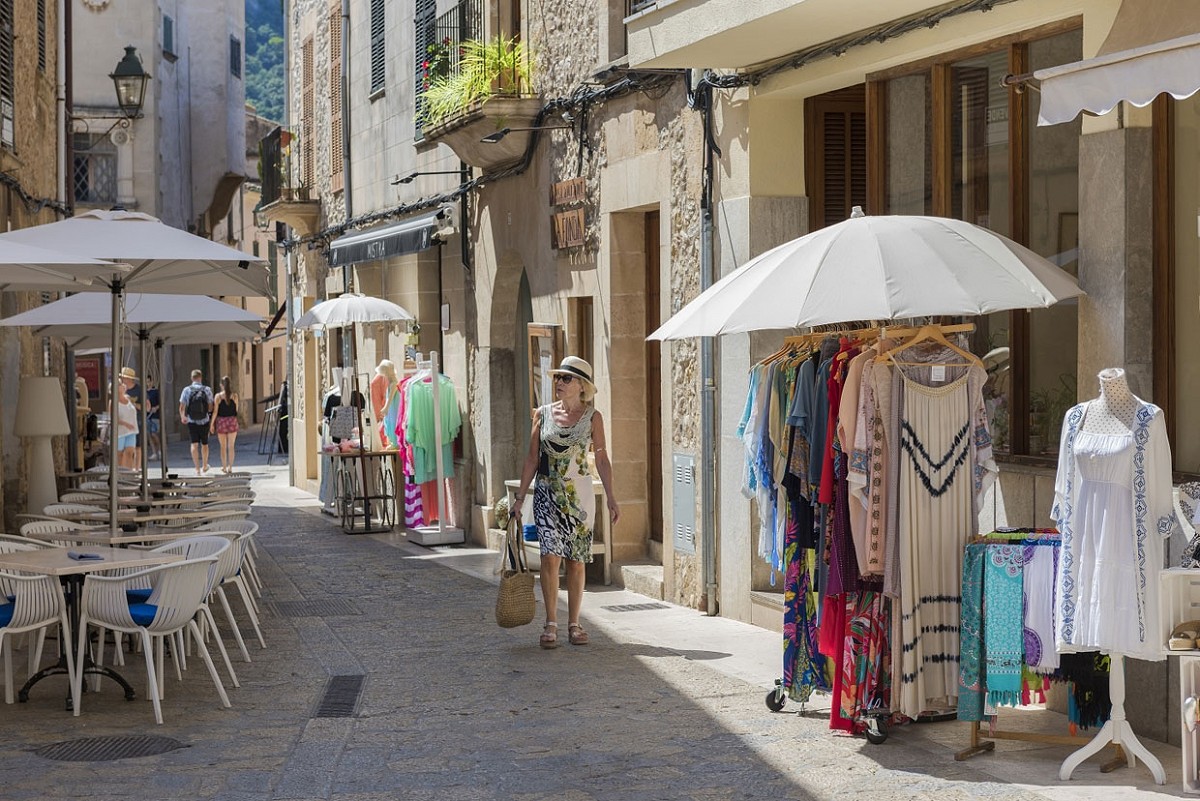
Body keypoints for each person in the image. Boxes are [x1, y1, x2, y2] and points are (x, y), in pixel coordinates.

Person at [511, 356, 619, 649]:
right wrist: (520, 498)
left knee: (575, 562)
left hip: (579, 498)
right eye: (557, 377)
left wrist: (611, 496)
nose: (558, 382)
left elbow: (601, 458)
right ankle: (550, 623)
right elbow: (532, 458)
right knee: (549, 557)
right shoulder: (543, 415)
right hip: (547, 494)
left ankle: (574, 622)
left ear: (581, 386)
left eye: (565, 378)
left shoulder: (593, 417)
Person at [179, 368, 214, 474]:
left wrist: (183, 416)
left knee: (194, 444)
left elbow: (182, 406)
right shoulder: (207, 389)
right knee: (205, 444)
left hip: (192, 421)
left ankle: (197, 469)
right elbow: (210, 405)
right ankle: (204, 466)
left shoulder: (187, 390)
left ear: (191, 378)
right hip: (204, 420)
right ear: (200, 377)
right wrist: (207, 413)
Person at [211, 375, 240, 474]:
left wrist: (212, 424)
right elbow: (236, 410)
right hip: (232, 421)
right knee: (231, 446)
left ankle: (224, 466)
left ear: (221, 385)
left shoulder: (218, 397)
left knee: (222, 446)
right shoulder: (235, 396)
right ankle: (230, 467)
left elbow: (215, 411)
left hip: (221, 422)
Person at [115, 367, 140, 470]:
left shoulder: (129, 398)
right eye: (121, 384)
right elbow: (114, 419)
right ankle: (120, 473)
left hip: (132, 430)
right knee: (119, 454)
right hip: (121, 431)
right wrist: (126, 424)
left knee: (130, 452)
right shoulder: (113, 402)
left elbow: (142, 407)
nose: (123, 385)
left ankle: (129, 473)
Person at [277, 379, 289, 455]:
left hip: (285, 411)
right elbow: (281, 399)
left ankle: (284, 448)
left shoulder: (285, 385)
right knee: (283, 430)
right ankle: (283, 448)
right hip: (284, 411)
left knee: (284, 431)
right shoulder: (284, 385)